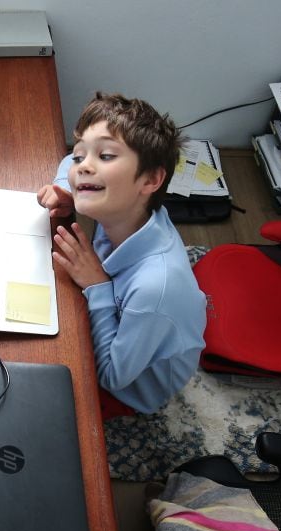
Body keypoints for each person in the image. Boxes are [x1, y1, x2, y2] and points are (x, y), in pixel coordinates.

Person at [37, 92, 206, 419]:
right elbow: (67, 164)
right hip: (131, 320)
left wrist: (97, 286)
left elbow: (113, 376)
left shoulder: (155, 287)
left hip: (134, 389)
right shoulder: (128, 210)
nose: (83, 165)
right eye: (80, 156)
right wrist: (66, 190)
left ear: (151, 180)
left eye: (106, 156)